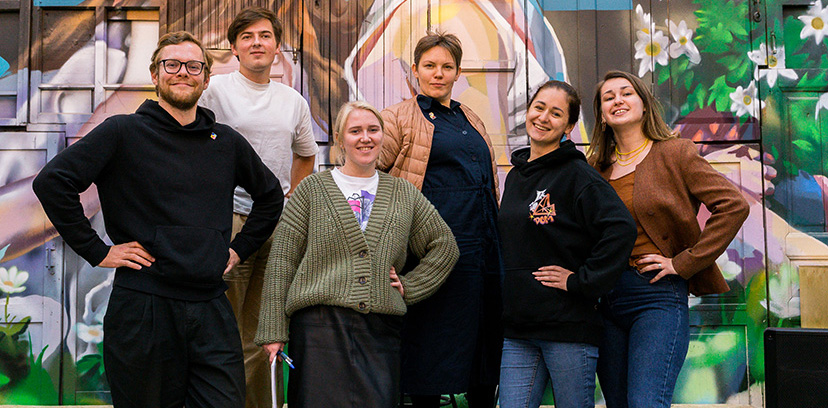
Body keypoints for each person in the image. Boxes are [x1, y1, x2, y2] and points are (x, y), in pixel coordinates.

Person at [32, 31, 284, 408]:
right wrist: (97, 251)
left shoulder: (226, 142)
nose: (183, 72)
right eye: (172, 64)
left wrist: (239, 249)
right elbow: (53, 182)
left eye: (193, 66)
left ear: (206, 78)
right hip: (143, 307)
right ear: (155, 75)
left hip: (211, 306)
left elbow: (270, 195)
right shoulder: (122, 132)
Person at [255, 101, 459, 408]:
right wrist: (273, 329)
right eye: (355, 131)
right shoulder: (312, 189)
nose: (365, 138)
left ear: (382, 136)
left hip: (379, 331)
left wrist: (410, 286)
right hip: (318, 329)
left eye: (373, 130)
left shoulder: (403, 193)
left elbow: (444, 245)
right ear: (340, 139)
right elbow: (282, 260)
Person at [588, 70, 749, 408]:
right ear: (601, 115)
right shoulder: (594, 169)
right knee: (617, 403)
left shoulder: (675, 153)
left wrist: (683, 262)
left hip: (656, 296)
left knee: (646, 402)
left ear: (645, 105)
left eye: (626, 93)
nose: (618, 100)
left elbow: (733, 206)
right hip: (605, 300)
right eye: (608, 97)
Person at [199, 7, 318, 408]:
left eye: (265, 36)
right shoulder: (215, 91)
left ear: (277, 46)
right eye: (247, 37)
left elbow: (305, 154)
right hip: (228, 222)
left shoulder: (292, 101)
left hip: (275, 226)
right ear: (234, 47)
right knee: (225, 325)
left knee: (265, 330)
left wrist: (291, 199)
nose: (257, 43)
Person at [378, 31, 502, 407]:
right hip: (431, 254)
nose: (438, 73)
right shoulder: (397, 117)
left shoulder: (471, 117)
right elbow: (369, 173)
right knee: (428, 341)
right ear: (415, 70)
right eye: (430, 65)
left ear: (458, 72)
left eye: (447, 67)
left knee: (483, 339)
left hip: (481, 251)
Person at [497, 80, 636, 408]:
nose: (544, 117)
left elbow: (620, 228)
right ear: (528, 111)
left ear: (569, 127)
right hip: (519, 329)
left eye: (556, 113)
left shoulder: (578, 176)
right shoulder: (516, 176)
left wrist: (580, 281)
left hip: (567, 329)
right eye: (539, 107)